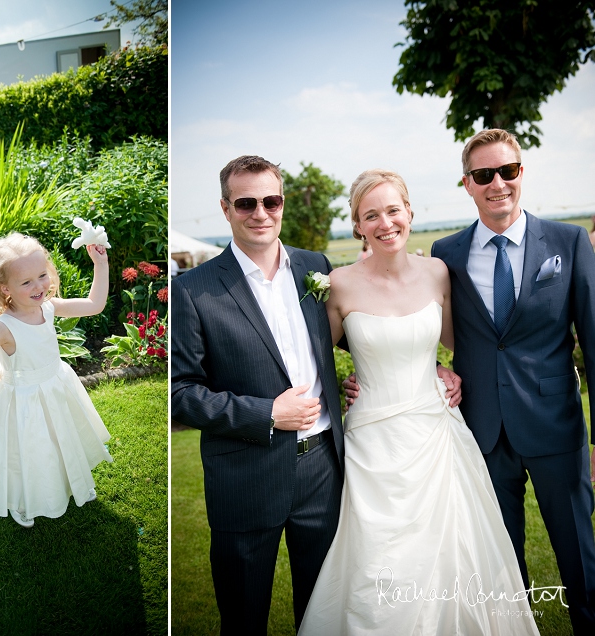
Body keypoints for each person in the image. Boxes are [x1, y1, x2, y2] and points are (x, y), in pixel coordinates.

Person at [299, 169, 538, 634]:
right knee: (379, 558)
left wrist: (442, 369)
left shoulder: (438, 273)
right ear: (358, 225)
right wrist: (348, 380)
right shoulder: (338, 284)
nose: (385, 222)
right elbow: (315, 361)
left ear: (409, 212)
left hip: (438, 430)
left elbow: (463, 340)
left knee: (455, 551)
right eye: (372, 215)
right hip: (374, 441)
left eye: (393, 210)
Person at [171, 155, 345, 634]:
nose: (260, 212)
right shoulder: (193, 289)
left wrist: (428, 364)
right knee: (244, 617)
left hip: (323, 471)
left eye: (271, 200)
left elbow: (358, 334)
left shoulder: (316, 267)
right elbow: (180, 391)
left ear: (283, 203)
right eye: (246, 203)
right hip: (244, 476)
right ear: (225, 208)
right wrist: (267, 412)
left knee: (324, 612)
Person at [430, 129, 595, 634]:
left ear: (521, 174)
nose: (497, 183)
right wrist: (426, 368)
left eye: (507, 171)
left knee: (580, 564)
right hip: (482, 432)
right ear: (467, 184)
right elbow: (411, 318)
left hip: (556, 430)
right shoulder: (445, 253)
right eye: (484, 175)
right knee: (500, 569)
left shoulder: (567, 241)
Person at [0, 233, 112, 528]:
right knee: (28, 452)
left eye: (41, 276)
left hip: (55, 387)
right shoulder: (4, 327)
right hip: (24, 401)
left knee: (62, 437)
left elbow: (94, 304)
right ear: (6, 289)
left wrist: (100, 264)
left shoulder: (49, 307)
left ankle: (73, 479)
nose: (38, 286)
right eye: (26, 282)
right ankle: (23, 499)